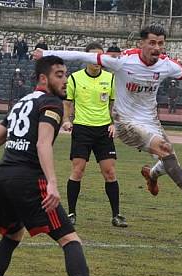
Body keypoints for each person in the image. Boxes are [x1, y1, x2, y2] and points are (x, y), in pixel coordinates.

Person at [0, 55, 120, 276]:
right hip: (28, 180)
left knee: (12, 235)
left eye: (66, 74)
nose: (65, 79)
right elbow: (43, 144)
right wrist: (53, 185)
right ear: (44, 78)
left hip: (4, 178)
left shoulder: (21, 103)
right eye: (59, 74)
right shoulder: (51, 103)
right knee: (70, 239)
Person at [35, 24, 182, 217]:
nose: (157, 48)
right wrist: (45, 54)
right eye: (152, 43)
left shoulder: (166, 64)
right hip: (126, 123)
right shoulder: (123, 60)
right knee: (165, 150)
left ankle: (152, 175)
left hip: (150, 121)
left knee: (169, 157)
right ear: (142, 43)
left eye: (161, 43)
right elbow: (83, 55)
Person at [61, 43, 127, 228]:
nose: (97, 61)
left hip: (104, 131)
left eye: (100, 57)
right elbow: (67, 103)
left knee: (110, 173)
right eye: (93, 57)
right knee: (78, 171)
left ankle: (116, 215)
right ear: (87, 58)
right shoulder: (75, 78)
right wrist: (66, 120)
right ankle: (71, 214)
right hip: (82, 129)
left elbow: (115, 105)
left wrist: (115, 124)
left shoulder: (111, 79)